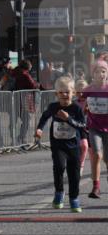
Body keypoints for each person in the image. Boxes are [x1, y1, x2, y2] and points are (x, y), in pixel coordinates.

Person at [35, 76, 86, 212]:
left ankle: (74, 198)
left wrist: (68, 119)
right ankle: (59, 192)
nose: (64, 94)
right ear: (56, 94)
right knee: (58, 166)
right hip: (58, 145)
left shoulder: (76, 109)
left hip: (74, 146)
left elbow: (82, 126)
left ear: (73, 93)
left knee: (74, 174)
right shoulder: (53, 107)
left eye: (67, 92)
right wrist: (39, 128)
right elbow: (45, 116)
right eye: (61, 92)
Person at [82, 61, 108, 199]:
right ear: (93, 74)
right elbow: (80, 104)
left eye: (104, 71)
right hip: (94, 127)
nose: (101, 74)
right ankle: (96, 187)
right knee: (97, 155)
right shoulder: (88, 90)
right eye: (98, 72)